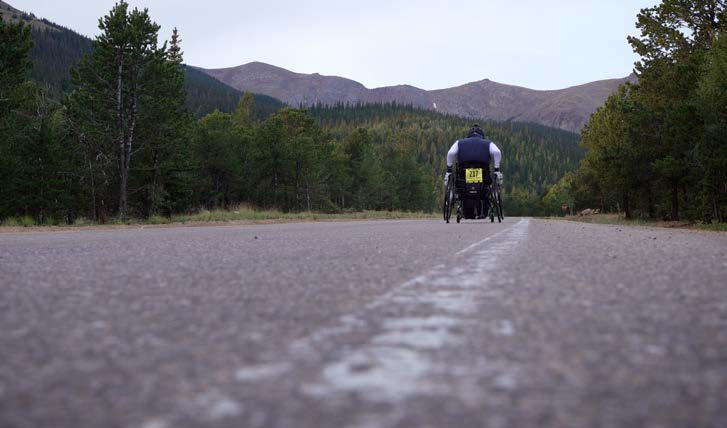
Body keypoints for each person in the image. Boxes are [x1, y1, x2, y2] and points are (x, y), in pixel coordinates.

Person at [444, 124, 502, 218]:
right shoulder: (488, 143)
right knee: (487, 186)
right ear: (482, 135)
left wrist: (449, 170)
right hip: (484, 175)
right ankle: (487, 208)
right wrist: (496, 170)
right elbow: (497, 152)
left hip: (463, 175)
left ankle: (463, 209)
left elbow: (450, 153)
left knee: (460, 186)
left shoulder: (459, 143)